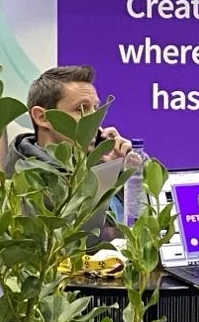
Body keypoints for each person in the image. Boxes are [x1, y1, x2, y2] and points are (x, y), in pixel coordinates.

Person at [10, 65, 147, 230]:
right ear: (42, 117)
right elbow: (84, 237)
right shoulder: (22, 178)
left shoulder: (98, 166)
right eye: (81, 109)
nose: (95, 119)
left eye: (95, 108)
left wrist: (124, 174)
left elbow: (143, 229)